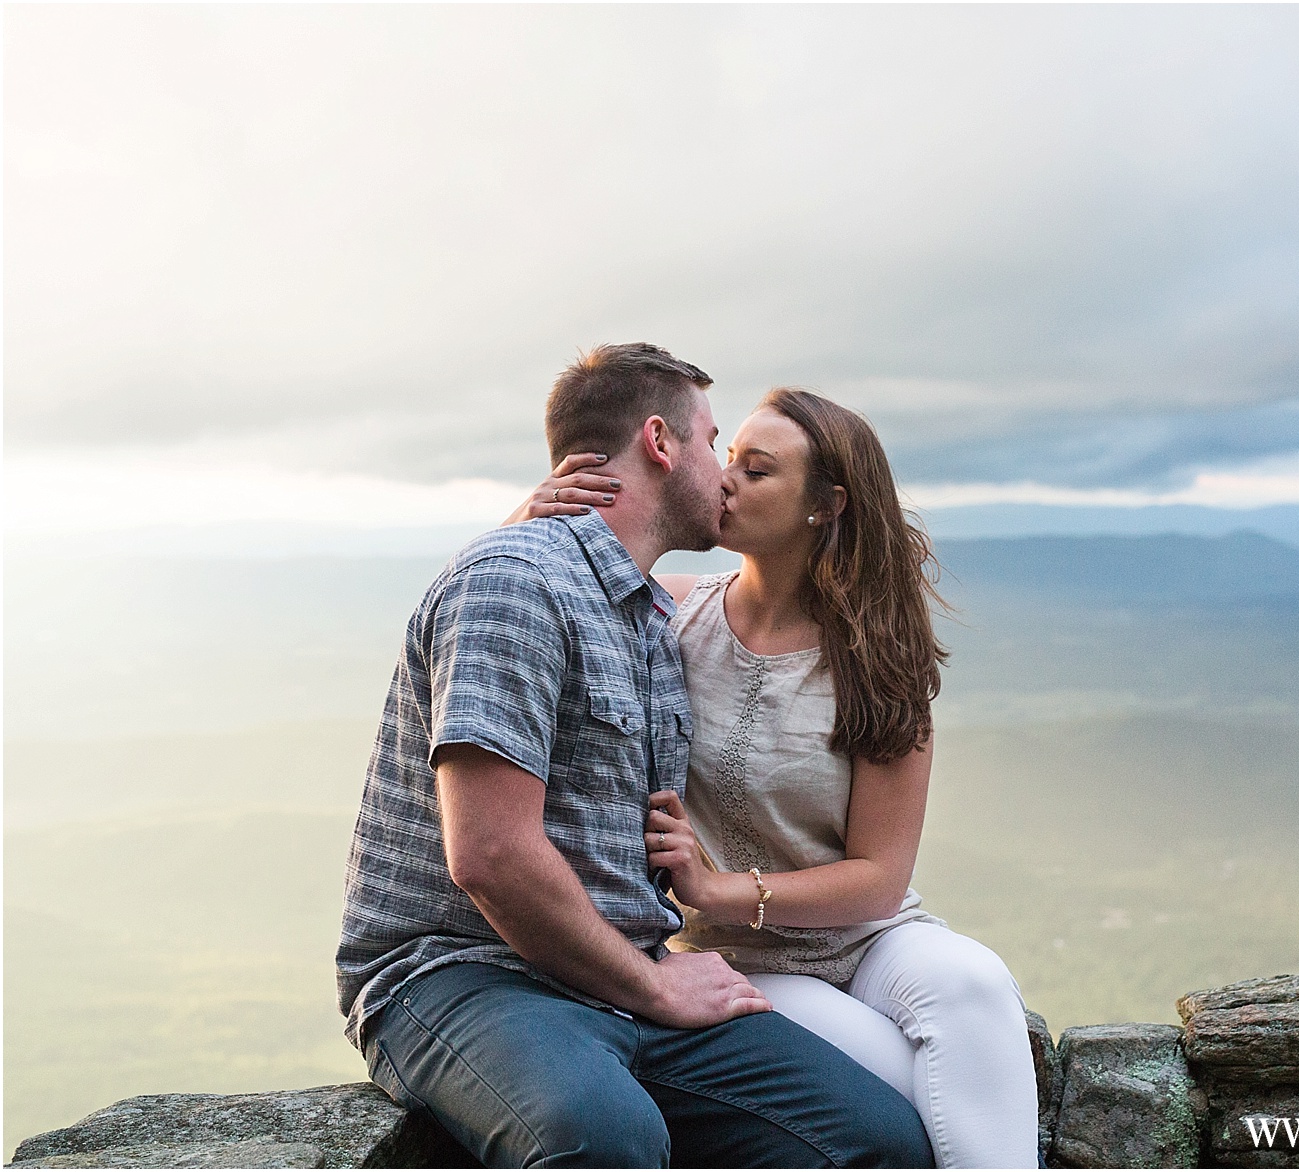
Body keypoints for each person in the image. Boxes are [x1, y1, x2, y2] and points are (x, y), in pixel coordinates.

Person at [336, 344, 933, 1169]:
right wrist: (653, 985)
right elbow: (491, 854)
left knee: (876, 1141)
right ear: (660, 442)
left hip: (621, 970)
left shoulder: (650, 617)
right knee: (603, 1136)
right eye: (712, 443)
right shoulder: (515, 580)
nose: (723, 474)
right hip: (466, 972)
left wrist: (648, 975)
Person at [510, 387, 1039, 1168]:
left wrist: (721, 886)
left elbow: (881, 879)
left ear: (824, 506)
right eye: (727, 459)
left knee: (975, 983)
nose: (723, 481)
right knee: (910, 1103)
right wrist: (527, 522)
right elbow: (522, 608)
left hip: (868, 938)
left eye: (755, 471)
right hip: (734, 963)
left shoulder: (879, 660)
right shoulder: (670, 615)